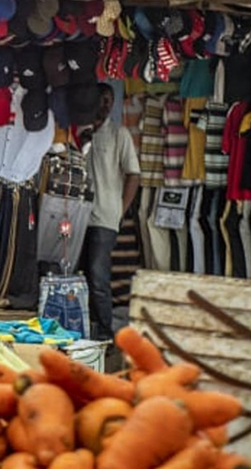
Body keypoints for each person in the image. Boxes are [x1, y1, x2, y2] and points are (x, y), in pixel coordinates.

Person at [80, 83, 140, 341]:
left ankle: (104, 334)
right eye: (101, 100)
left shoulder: (119, 134)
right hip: (78, 216)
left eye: (109, 101)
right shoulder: (80, 132)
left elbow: (133, 175)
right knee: (75, 273)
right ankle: (82, 327)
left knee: (98, 275)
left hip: (105, 217)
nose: (105, 105)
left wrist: (121, 209)